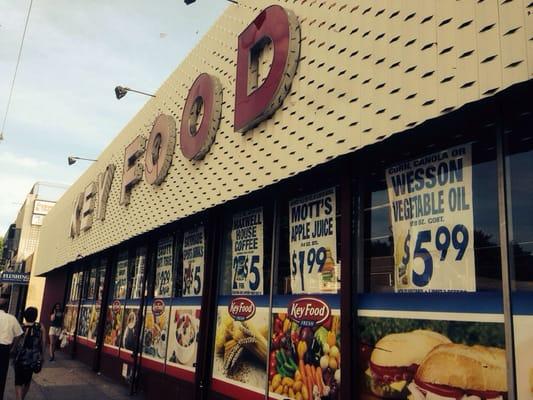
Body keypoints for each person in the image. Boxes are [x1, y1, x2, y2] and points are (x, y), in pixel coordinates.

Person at [12, 307, 46, 400]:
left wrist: (13, 351)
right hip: (32, 358)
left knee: (18, 381)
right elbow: (43, 342)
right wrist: (42, 356)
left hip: (20, 357)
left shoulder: (21, 326)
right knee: (27, 380)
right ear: (35, 316)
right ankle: (22, 397)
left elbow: (16, 341)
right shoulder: (40, 327)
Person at [0, 298, 23, 400]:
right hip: (4, 349)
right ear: (6, 307)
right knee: (2, 374)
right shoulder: (12, 318)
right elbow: (19, 334)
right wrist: (13, 348)